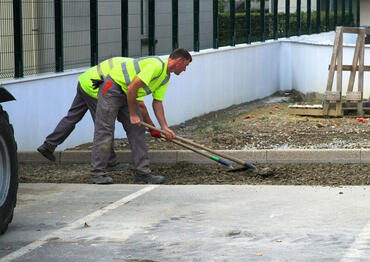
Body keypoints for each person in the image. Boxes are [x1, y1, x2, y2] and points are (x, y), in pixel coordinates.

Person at [37, 57, 160, 173]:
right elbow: (139, 105)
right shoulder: (138, 75)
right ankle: (109, 163)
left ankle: (48, 145)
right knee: (105, 126)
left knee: (72, 117)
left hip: (85, 81)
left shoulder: (133, 65)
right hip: (97, 89)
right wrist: (151, 126)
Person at [91, 48, 192, 184]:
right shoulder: (156, 65)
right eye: (186, 65)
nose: (185, 69)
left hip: (128, 93)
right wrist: (133, 114)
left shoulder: (166, 76)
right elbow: (133, 87)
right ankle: (97, 174)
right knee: (105, 129)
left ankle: (143, 173)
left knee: (137, 131)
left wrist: (164, 127)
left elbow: (157, 102)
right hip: (113, 88)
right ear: (179, 61)